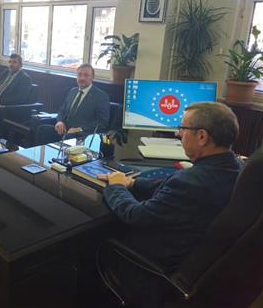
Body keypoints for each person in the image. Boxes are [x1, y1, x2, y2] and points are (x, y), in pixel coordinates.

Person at [97, 102, 242, 307]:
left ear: (202, 136)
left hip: (152, 267)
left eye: (183, 128)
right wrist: (133, 183)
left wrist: (116, 187)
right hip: (198, 261)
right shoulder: (237, 168)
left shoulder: (190, 183)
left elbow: (135, 215)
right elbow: (172, 186)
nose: (178, 134)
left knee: (94, 239)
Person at [35, 63, 110, 145]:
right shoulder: (73, 91)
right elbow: (62, 110)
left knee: (69, 137)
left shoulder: (101, 96)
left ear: (92, 77)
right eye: (79, 75)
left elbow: (102, 123)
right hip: (64, 130)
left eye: (86, 75)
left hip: (81, 135)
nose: (82, 78)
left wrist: (79, 129)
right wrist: (60, 121)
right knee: (42, 130)